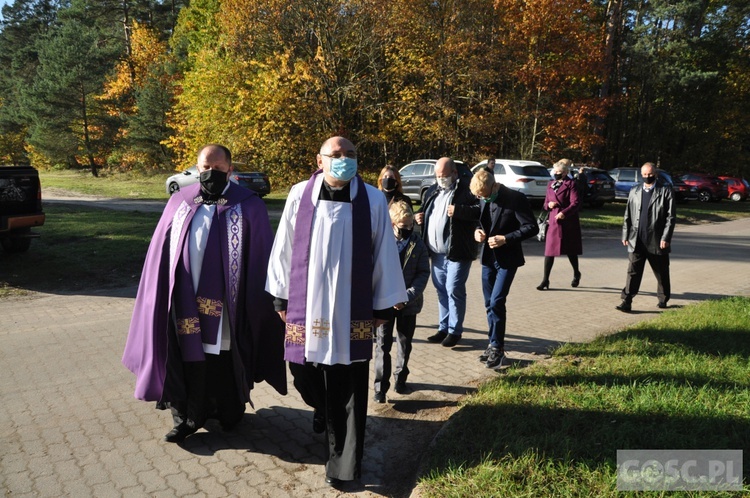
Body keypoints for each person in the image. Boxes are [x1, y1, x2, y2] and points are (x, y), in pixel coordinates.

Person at [266, 136, 407, 488]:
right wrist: (281, 299)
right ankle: (321, 408)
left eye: (351, 155)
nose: (344, 160)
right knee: (304, 373)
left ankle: (344, 465)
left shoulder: (373, 200)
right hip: (307, 307)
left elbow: (383, 253)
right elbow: (284, 245)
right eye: (337, 155)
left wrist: (383, 305)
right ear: (320, 160)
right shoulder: (300, 194)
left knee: (349, 387)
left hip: (351, 312)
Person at [122, 144, 287, 443]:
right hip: (185, 301)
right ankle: (186, 417)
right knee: (188, 357)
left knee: (223, 358)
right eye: (205, 168)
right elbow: (160, 253)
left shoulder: (249, 205)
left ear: (230, 169)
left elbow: (261, 257)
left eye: (218, 168)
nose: (211, 173)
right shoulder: (180, 201)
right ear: (197, 168)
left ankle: (229, 408)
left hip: (229, 308)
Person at [470, 168, 538, 369]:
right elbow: (479, 221)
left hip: (508, 259)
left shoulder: (515, 198)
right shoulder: (483, 197)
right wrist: (477, 232)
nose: (482, 198)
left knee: (497, 301)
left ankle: (498, 348)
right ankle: (492, 344)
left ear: (494, 185)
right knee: (489, 304)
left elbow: (531, 227)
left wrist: (506, 239)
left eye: (484, 195)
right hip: (488, 259)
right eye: (479, 196)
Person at [414, 157, 479, 348]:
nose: (440, 179)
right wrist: (420, 216)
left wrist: (459, 210)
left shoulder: (467, 189)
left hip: (458, 251)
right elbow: (425, 209)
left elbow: (480, 211)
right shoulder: (433, 190)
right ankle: (443, 328)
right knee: (441, 290)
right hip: (436, 253)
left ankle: (455, 331)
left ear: (454, 173)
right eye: (438, 175)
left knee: (454, 289)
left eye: (444, 175)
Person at [373, 200, 430, 403]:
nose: (407, 229)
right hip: (386, 304)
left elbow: (423, 273)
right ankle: (380, 387)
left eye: (410, 225)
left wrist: (405, 297)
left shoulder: (418, 243)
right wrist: (388, 297)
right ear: (392, 224)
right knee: (382, 345)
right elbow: (376, 273)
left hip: (409, 304)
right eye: (402, 226)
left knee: (405, 343)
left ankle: (401, 378)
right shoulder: (381, 243)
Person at [616, 162, 676, 312]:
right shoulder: (634, 190)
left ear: (655, 174)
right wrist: (625, 234)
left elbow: (671, 217)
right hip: (637, 239)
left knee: (661, 271)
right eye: (644, 175)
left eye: (650, 174)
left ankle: (663, 298)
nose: (647, 177)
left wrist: (666, 238)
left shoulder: (665, 191)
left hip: (657, 239)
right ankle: (627, 300)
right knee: (633, 271)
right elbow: (627, 214)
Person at [537, 159, 583, 290]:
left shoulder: (571, 184)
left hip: (568, 222)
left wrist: (564, 212)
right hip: (553, 221)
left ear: (565, 172)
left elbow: (575, 203)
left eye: (559, 172)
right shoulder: (550, 184)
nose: (556, 173)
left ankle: (576, 273)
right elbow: (545, 203)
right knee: (549, 251)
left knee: (570, 251)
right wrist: (549, 205)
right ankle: (545, 280)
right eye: (555, 171)